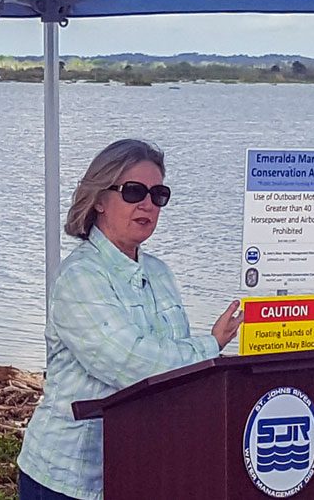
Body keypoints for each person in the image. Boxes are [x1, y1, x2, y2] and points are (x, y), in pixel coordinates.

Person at [17, 139, 243, 500]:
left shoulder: (160, 273)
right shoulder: (80, 277)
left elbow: (172, 368)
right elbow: (132, 363)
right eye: (134, 191)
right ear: (99, 200)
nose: (147, 204)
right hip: (69, 480)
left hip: (142, 468)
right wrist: (210, 346)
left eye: (158, 195)